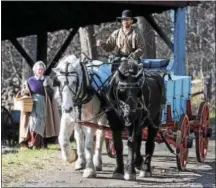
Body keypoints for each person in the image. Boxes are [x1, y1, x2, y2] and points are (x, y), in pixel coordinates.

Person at [19, 61, 60, 150]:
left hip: (44, 102)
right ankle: (32, 143)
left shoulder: (47, 79)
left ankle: (37, 144)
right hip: (32, 103)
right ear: (34, 70)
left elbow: (54, 92)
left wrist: (47, 87)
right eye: (38, 69)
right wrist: (25, 93)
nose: (40, 71)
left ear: (44, 70)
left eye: (42, 69)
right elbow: (24, 91)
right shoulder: (30, 80)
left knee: (41, 121)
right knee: (33, 122)